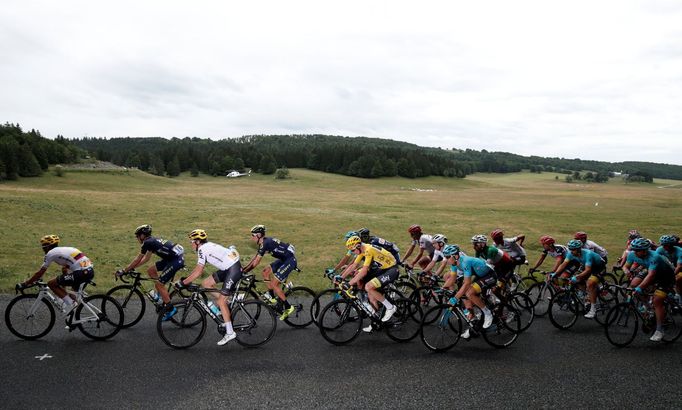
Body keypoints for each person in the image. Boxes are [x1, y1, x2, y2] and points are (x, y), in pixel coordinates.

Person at [176, 229, 242, 346]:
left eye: (192, 241)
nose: (191, 244)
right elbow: (197, 270)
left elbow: (198, 271)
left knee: (221, 301)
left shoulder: (202, 249)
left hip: (233, 270)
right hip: (228, 268)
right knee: (206, 284)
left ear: (197, 242)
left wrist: (184, 283)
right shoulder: (206, 246)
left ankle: (230, 332)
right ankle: (228, 300)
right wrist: (186, 280)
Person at [118, 224, 185, 321]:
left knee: (159, 285)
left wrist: (125, 270)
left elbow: (138, 259)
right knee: (151, 270)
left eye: (137, 236)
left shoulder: (147, 243)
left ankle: (171, 309)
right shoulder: (151, 241)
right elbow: (146, 259)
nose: (137, 238)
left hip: (175, 261)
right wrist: (132, 268)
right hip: (171, 258)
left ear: (142, 236)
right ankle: (160, 295)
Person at [19, 235, 95, 312]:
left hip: (81, 273)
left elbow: (40, 272)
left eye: (44, 246)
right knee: (71, 295)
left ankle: (72, 305)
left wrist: (26, 283)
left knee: (51, 283)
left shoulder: (50, 253)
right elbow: (66, 268)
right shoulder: (65, 249)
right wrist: (63, 286)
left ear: (48, 246)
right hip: (89, 271)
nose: (43, 248)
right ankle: (74, 319)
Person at [623, 237, 677, 342]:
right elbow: (626, 266)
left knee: (657, 300)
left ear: (644, 250)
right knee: (633, 285)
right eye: (633, 249)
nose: (634, 252)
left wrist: (640, 288)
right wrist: (626, 271)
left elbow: (651, 276)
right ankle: (649, 309)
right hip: (651, 271)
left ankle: (660, 330)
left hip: (666, 276)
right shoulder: (632, 254)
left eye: (637, 250)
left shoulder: (654, 257)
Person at [340, 236, 398, 331]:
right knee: (371, 297)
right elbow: (353, 265)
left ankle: (390, 307)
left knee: (368, 287)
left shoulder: (368, 250)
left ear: (358, 246)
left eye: (353, 250)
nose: (353, 252)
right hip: (382, 270)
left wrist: (349, 283)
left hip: (391, 270)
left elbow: (364, 271)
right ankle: (376, 322)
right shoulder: (363, 249)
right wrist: (341, 277)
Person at [242, 225, 297, 320]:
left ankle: (288, 307)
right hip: (284, 259)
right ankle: (272, 298)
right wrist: (244, 269)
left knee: (274, 284)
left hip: (290, 260)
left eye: (253, 235)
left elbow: (255, 263)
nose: (252, 237)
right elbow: (255, 258)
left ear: (259, 235)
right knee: (265, 272)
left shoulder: (265, 243)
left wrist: (245, 271)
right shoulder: (263, 243)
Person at [444, 244, 495, 338]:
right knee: (465, 295)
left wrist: (455, 298)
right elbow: (452, 279)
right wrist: (442, 289)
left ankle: (488, 313)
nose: (445, 259)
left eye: (447, 257)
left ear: (455, 256)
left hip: (490, 275)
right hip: (480, 276)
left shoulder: (465, 261)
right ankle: (474, 323)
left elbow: (467, 283)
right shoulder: (454, 264)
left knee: (469, 292)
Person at [553, 239, 606, 320]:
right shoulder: (570, 254)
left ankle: (593, 310)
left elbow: (588, 270)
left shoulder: (587, 254)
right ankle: (585, 296)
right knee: (574, 280)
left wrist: (578, 277)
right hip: (586, 266)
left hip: (598, 267)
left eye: (573, 249)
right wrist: (555, 273)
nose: (571, 251)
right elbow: (564, 264)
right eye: (570, 249)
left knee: (590, 283)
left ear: (578, 249)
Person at [655, 235, 682, 305]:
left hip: (680, 268)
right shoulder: (660, 249)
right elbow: (655, 261)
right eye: (663, 245)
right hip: (670, 267)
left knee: (678, 279)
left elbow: (679, 267)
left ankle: (679, 297)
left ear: (672, 245)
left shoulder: (679, 251)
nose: (664, 247)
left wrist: (671, 276)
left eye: (666, 245)